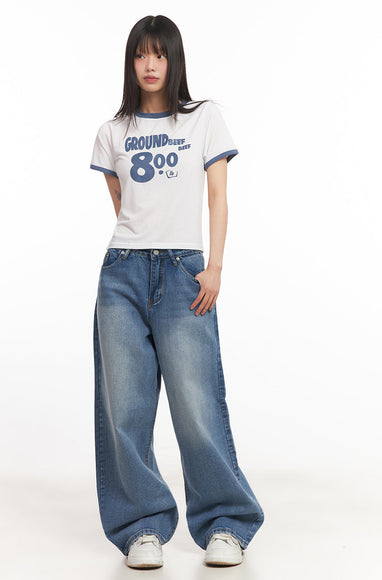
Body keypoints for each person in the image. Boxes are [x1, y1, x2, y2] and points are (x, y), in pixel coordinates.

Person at [90, 15, 264, 569]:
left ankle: (226, 523)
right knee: (125, 408)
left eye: (159, 54)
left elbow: (218, 198)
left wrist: (214, 267)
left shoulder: (202, 118)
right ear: (130, 62)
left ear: (173, 60)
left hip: (185, 273)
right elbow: (123, 205)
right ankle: (141, 527)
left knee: (196, 404)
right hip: (121, 274)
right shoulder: (112, 131)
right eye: (141, 55)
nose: (150, 65)